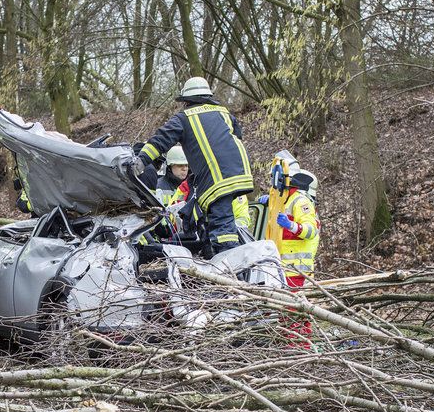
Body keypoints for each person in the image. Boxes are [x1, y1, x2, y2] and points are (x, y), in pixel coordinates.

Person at [135, 77, 253, 254]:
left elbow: (160, 140)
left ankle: (230, 263)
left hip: (217, 179)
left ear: (187, 101)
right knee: (214, 218)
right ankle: (213, 254)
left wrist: (139, 162)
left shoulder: (185, 118)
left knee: (222, 227)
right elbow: (237, 136)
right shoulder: (224, 112)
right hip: (240, 172)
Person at [260, 169, 320, 338]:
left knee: (296, 313)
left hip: (297, 271)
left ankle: (299, 347)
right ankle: (288, 346)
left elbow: (311, 231)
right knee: (283, 312)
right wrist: (268, 206)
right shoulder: (282, 200)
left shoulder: (300, 201)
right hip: (280, 270)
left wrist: (291, 225)